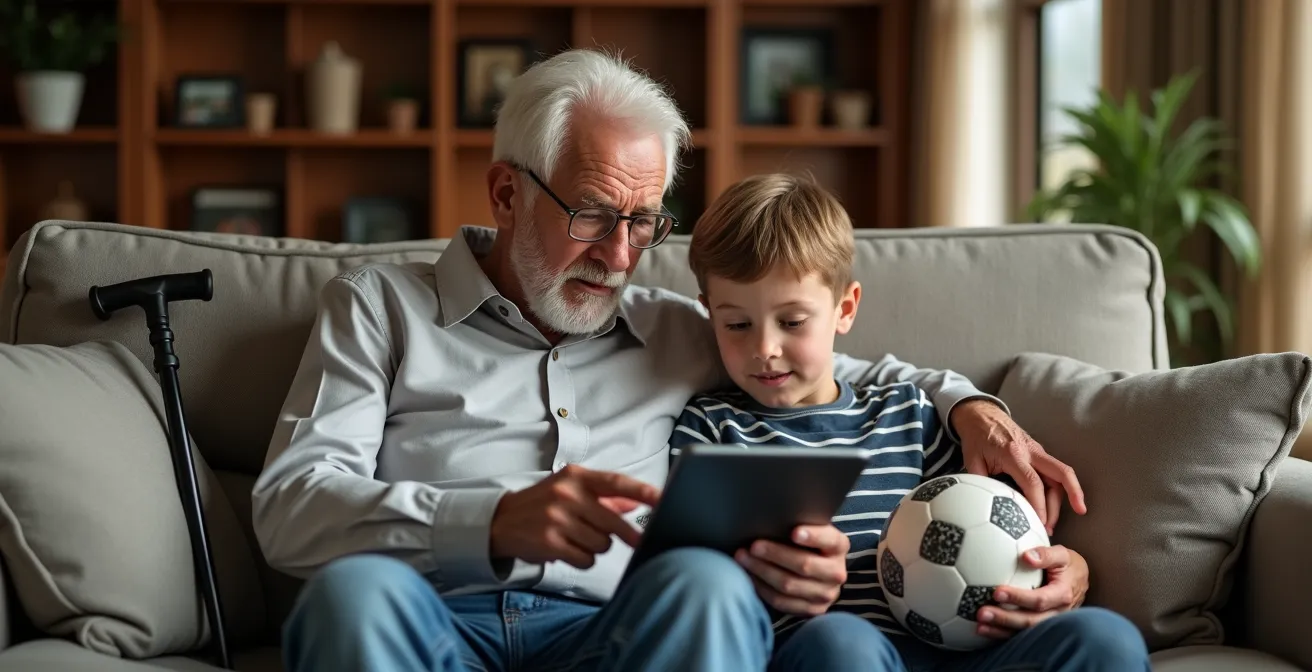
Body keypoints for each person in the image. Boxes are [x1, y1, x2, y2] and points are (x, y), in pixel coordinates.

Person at [251, 48, 1087, 672]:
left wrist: (973, 406)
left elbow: (827, 362)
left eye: (645, 220)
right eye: (591, 214)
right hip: (434, 614)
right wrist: (492, 522)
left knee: (706, 586)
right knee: (352, 597)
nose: (620, 256)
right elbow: (290, 507)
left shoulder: (685, 328)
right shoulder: (378, 308)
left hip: (615, 633)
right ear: (506, 194)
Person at [667, 173, 1148, 672]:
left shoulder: (909, 414)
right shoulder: (710, 431)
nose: (765, 348)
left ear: (844, 309)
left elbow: (998, 523)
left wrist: (1061, 568)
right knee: (841, 642)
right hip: (826, 653)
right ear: (709, 315)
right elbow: (694, 578)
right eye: (737, 324)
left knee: (1105, 637)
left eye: (792, 322)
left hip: (962, 647)